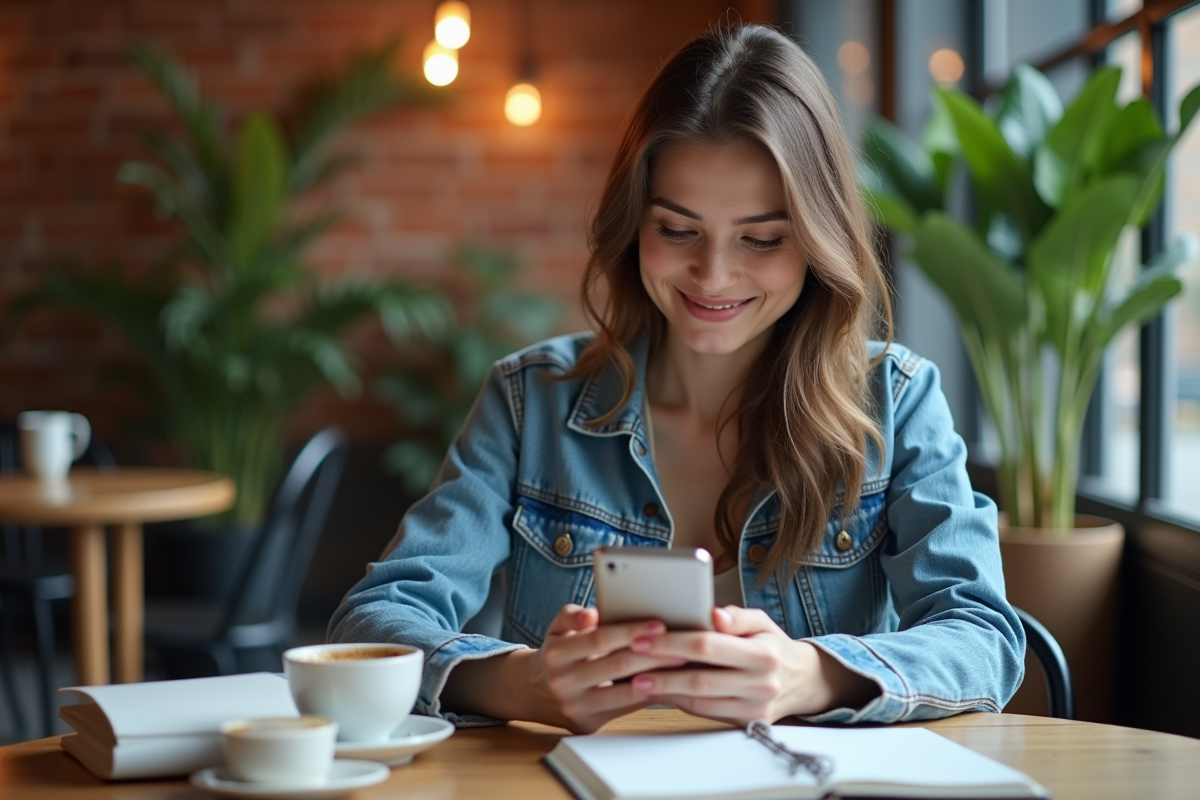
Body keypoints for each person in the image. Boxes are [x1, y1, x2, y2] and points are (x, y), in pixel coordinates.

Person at [329, 23, 1024, 734]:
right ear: (634, 228)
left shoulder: (899, 401)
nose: (714, 275)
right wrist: (523, 682)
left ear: (818, 241)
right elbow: (375, 622)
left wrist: (809, 676)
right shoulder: (528, 401)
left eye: (762, 238)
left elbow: (983, 637)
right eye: (678, 230)